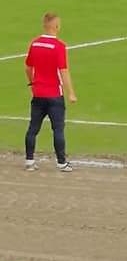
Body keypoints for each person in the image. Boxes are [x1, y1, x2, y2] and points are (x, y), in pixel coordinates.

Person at [24, 12, 77, 172]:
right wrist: (71, 93)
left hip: (38, 93)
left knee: (33, 128)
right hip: (54, 94)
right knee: (58, 129)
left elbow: (28, 67)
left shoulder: (35, 44)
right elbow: (64, 71)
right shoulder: (59, 46)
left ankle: (29, 161)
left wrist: (32, 83)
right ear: (55, 26)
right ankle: (61, 163)